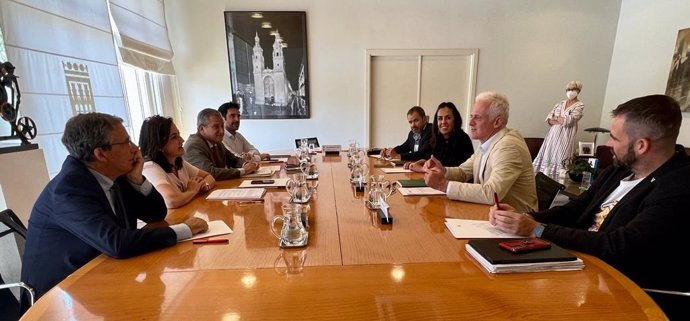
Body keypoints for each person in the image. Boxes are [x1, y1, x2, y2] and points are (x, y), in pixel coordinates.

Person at [489, 94, 689, 320]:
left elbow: (619, 246)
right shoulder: (621, 169)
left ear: (641, 145)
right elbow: (576, 209)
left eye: (614, 138)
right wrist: (524, 216)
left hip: (627, 293)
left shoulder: (679, 187)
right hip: (580, 266)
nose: (608, 144)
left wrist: (536, 229)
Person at [20, 113, 208, 303]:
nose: (135, 148)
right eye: (126, 142)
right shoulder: (69, 189)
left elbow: (156, 214)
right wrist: (185, 230)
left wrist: (137, 180)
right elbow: (116, 243)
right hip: (61, 297)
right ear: (101, 153)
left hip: (104, 275)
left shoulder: (112, 173)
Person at [423, 92, 538, 212]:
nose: (470, 122)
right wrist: (443, 171)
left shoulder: (508, 147)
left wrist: (444, 185)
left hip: (515, 220)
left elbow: (492, 194)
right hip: (492, 214)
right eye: (471, 116)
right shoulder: (488, 142)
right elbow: (463, 172)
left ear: (497, 122)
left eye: (477, 117)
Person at [139, 115, 216, 208]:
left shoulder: (178, 161)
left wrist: (204, 186)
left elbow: (209, 177)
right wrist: (192, 190)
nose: (182, 140)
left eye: (178, 134)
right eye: (174, 137)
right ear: (158, 144)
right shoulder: (150, 168)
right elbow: (170, 200)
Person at [183, 109, 259, 180]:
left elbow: (233, 159)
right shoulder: (193, 145)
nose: (222, 131)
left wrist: (247, 164)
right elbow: (210, 173)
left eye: (222, 126)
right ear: (201, 129)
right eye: (216, 127)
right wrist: (243, 170)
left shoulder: (216, 142)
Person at [532, 80, 585, 175]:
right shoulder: (560, 103)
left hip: (566, 136)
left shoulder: (580, 105)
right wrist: (559, 119)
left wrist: (556, 118)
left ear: (578, 91)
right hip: (552, 135)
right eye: (568, 89)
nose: (570, 91)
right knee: (547, 156)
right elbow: (549, 119)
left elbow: (570, 121)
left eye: (573, 89)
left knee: (561, 158)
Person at [404, 102, 474, 172]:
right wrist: (418, 163)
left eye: (448, 118)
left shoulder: (463, 139)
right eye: (440, 118)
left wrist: (422, 169)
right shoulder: (437, 138)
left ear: (455, 120)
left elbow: (453, 171)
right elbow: (431, 159)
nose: (443, 122)